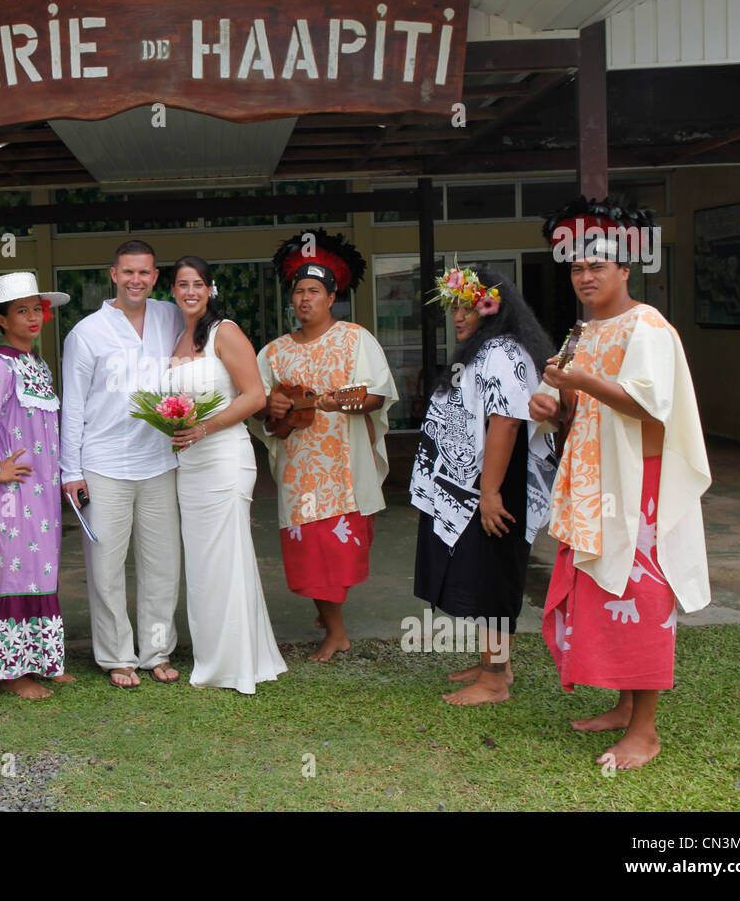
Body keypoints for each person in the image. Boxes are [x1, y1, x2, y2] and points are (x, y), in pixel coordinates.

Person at [531, 196, 711, 770]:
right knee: (607, 592)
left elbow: (652, 409)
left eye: (597, 267)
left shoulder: (648, 326)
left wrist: (582, 379)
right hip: (595, 478)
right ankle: (622, 704)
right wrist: (554, 406)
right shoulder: (583, 331)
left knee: (642, 594)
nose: (584, 276)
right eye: (577, 268)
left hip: (640, 484)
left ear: (625, 271)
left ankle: (646, 730)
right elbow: (583, 408)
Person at [410, 266, 557, 705]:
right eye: (454, 307)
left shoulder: (502, 352)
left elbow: (506, 422)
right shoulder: (485, 349)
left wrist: (490, 493)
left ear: (494, 307)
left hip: (496, 480)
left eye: (469, 307)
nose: (458, 316)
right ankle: (495, 662)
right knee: (476, 569)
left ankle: (495, 680)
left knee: (492, 572)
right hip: (479, 481)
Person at [251, 230, 399, 662]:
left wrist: (347, 403)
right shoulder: (274, 352)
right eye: (299, 291)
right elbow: (256, 403)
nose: (304, 299)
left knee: (337, 551)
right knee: (309, 553)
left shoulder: (356, 340)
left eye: (314, 290)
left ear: (331, 296)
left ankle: (331, 620)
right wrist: (270, 405)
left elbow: (377, 395)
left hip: (344, 468)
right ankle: (335, 629)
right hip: (300, 472)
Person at [60, 240, 185, 688]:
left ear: (155, 277)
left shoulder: (171, 317)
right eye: (128, 272)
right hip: (103, 463)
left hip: (159, 462)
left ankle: (156, 650)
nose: (137, 280)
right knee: (106, 567)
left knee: (162, 564)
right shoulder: (87, 332)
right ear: (113, 274)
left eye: (145, 273)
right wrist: (69, 471)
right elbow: (73, 406)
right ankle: (117, 655)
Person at [161, 255, 287, 694]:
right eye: (182, 284)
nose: (190, 291)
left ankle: (236, 664)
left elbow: (255, 396)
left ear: (210, 288)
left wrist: (204, 428)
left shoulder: (224, 332)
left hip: (225, 460)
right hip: (189, 466)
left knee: (228, 557)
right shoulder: (178, 338)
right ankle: (215, 655)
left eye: (198, 283)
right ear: (173, 291)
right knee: (202, 565)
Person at [0, 273, 75, 700]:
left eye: (36, 309)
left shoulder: (35, 365)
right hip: (10, 494)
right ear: (2, 320)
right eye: (21, 310)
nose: (32, 317)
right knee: (13, 572)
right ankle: (12, 670)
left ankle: (43, 659)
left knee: (41, 568)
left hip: (39, 491)